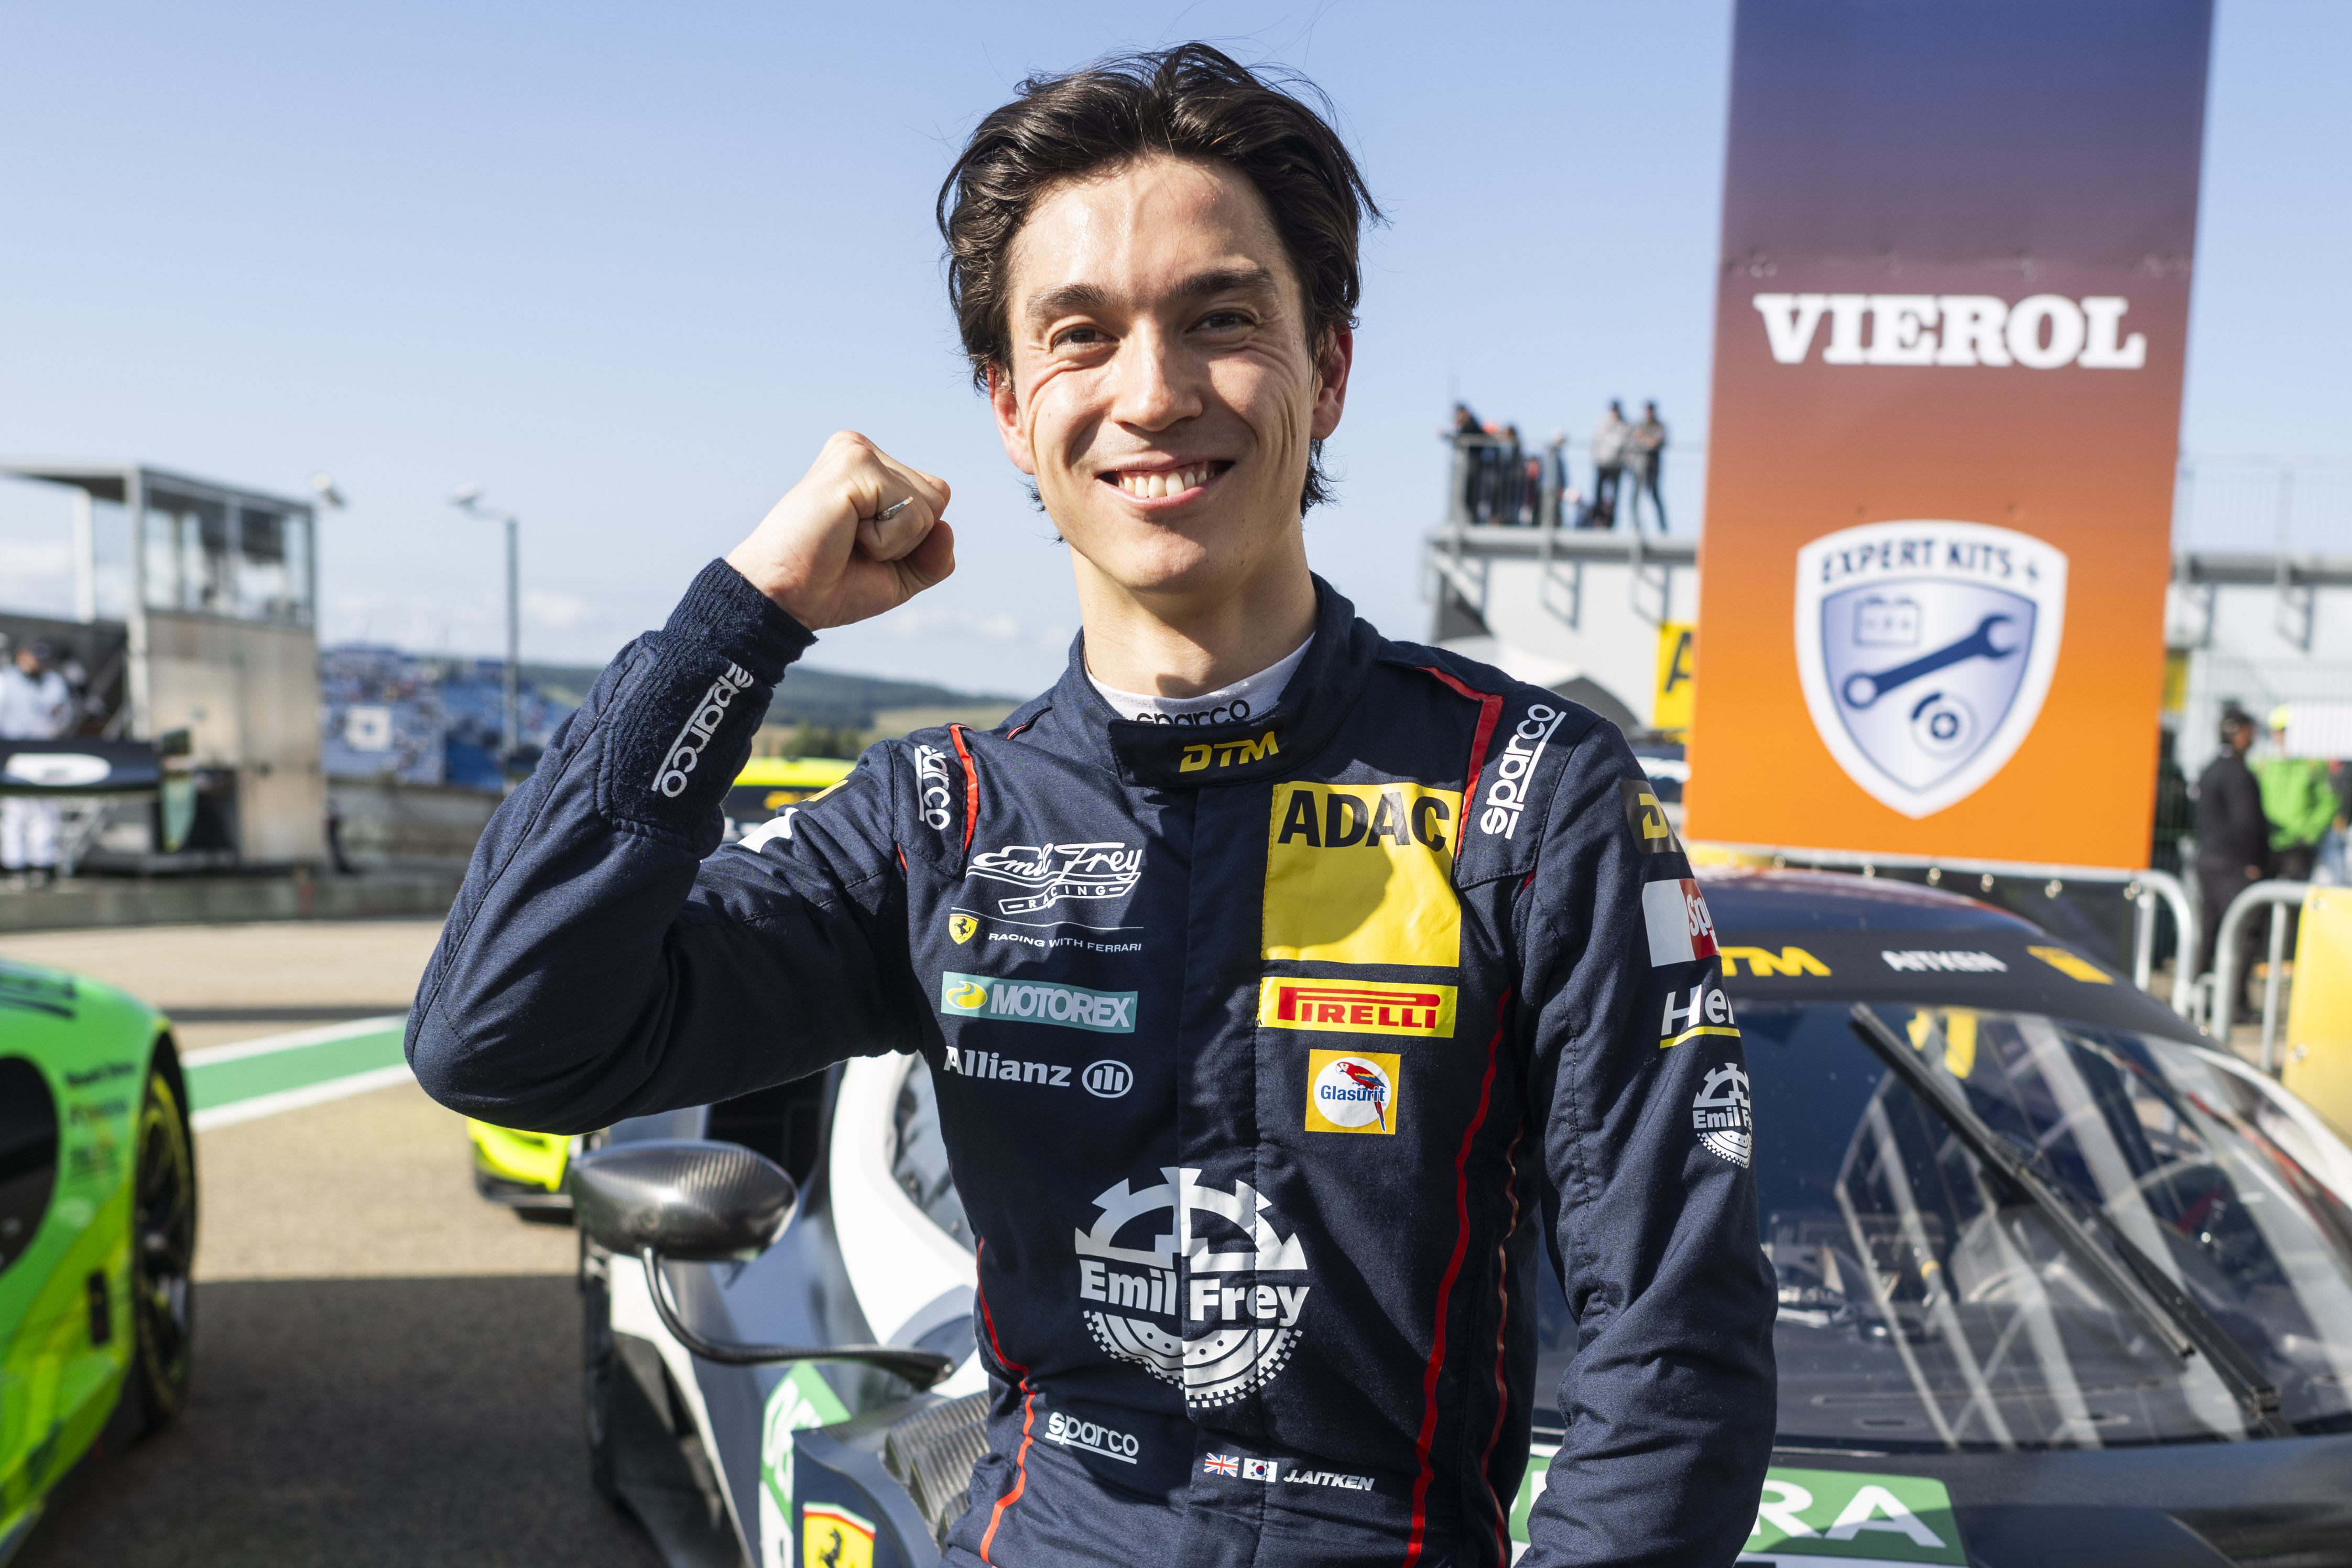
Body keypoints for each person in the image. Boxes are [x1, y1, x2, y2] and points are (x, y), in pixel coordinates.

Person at [407, 45, 1773, 1568]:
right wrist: (739, 622)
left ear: (1328, 370)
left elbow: (1675, 1353)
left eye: (1221, 319)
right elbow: (498, 1035)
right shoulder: (942, 818)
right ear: (1008, 407)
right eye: (1080, 336)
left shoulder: (1527, 792)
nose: (1154, 392)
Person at [2193, 705, 2270, 1019]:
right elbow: (2246, 823)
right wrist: (2254, 861)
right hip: (2233, 864)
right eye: (2250, 730)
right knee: (2245, 930)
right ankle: (2233, 1004)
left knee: (2211, 930)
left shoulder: (2211, 769)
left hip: (2209, 859)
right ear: (2239, 732)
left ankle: (2197, 995)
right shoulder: (2238, 774)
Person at [0, 638, 74, 888]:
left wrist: (59, 718)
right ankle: (15, 865)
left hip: (45, 751)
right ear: (22, 656)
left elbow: (64, 717)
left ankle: (42, 864)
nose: (39, 664)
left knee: (45, 809)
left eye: (43, 659)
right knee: (15, 811)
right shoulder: (6, 680)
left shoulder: (54, 682)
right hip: (14, 751)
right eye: (35, 658)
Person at [2255, 705, 2334, 885]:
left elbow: (2328, 801)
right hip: (2267, 843)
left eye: (2287, 730)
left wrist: (2310, 832)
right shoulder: (2261, 763)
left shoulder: (2312, 763)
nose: (2282, 735)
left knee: (2293, 897)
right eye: (2279, 730)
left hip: (2298, 845)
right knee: (2261, 897)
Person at [1627, 399, 1669, 532]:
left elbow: (1655, 443)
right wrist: (1645, 440)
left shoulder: (1660, 426)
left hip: (1653, 468)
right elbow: (1632, 443)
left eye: (1651, 410)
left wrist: (1643, 437)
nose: (1649, 412)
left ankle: (1663, 528)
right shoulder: (1638, 426)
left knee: (1655, 496)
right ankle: (1637, 525)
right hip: (1639, 467)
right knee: (1635, 497)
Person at [1587, 399, 1628, 528]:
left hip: (1617, 465)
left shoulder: (1624, 425)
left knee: (1615, 494)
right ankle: (1598, 516)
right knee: (1598, 491)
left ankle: (1611, 520)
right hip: (1603, 463)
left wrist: (1624, 460)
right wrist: (1597, 459)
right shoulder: (1602, 424)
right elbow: (1596, 442)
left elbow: (1627, 445)